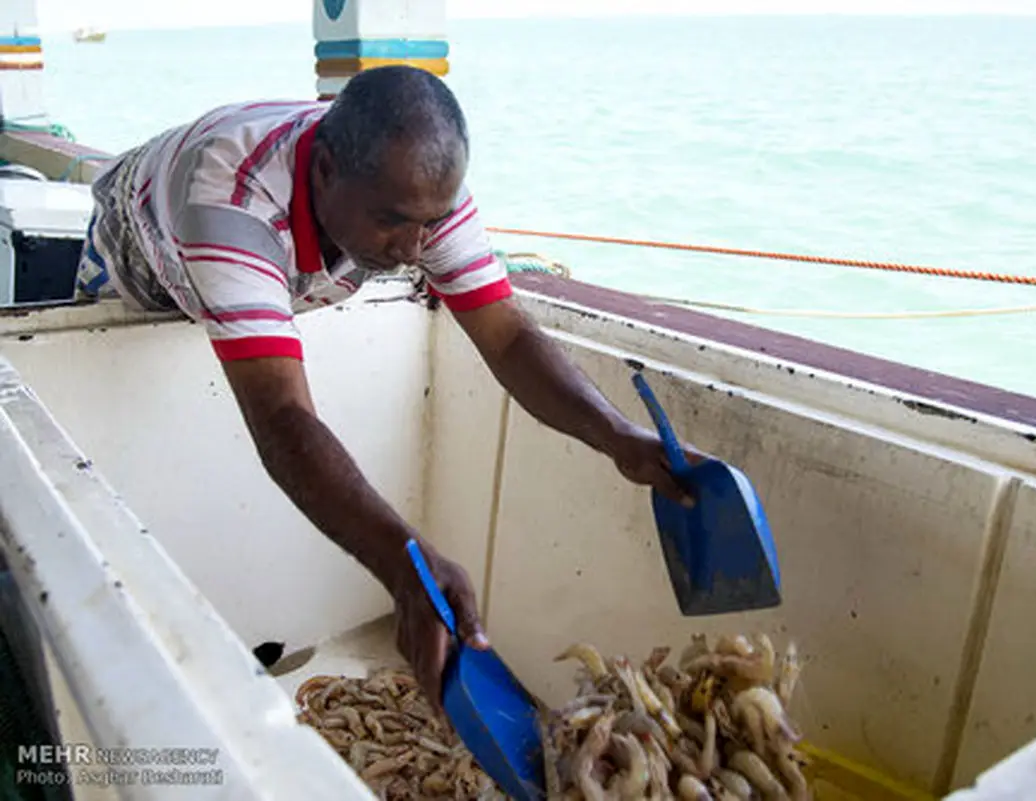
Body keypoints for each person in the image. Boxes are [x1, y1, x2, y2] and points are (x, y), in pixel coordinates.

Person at [74, 65, 698, 706]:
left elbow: (506, 336)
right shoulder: (226, 203)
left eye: (430, 223)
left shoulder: (418, 192)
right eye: (393, 223)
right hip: (138, 258)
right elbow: (283, 416)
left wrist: (618, 434)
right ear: (324, 172)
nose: (412, 249)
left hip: (278, 252)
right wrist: (406, 569)